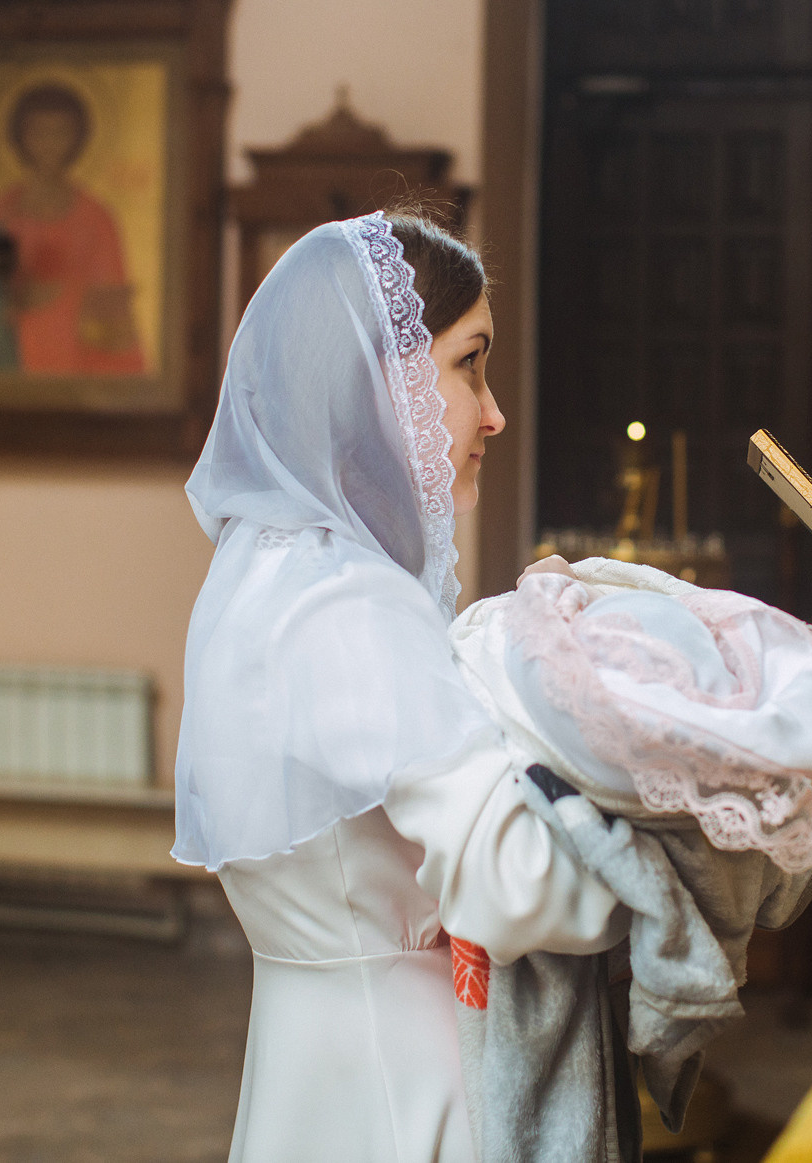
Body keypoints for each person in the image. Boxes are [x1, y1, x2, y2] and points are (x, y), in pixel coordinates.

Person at [175, 211, 626, 1163]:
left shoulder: (263, 567)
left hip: (315, 1052)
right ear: (382, 377)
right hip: (403, 1075)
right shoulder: (348, 604)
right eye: (470, 363)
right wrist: (659, 815)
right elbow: (515, 886)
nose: (493, 411)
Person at [0, 82, 143, 376]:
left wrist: (68, 298)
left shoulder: (96, 219)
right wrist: (14, 299)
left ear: (78, 138)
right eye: (38, 132)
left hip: (78, 368)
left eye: (60, 132)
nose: (49, 143)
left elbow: (115, 320)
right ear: (20, 138)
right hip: (9, 373)